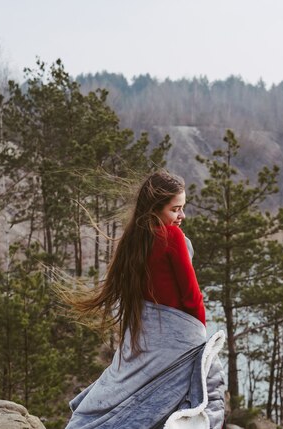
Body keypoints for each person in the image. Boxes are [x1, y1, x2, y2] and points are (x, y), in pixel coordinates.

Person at [64, 170, 226, 429]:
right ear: (155, 209)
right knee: (207, 390)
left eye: (182, 209)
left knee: (136, 393)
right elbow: (190, 294)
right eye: (176, 209)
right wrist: (199, 335)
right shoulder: (171, 236)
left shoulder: (134, 239)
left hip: (148, 338)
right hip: (180, 336)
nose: (181, 216)